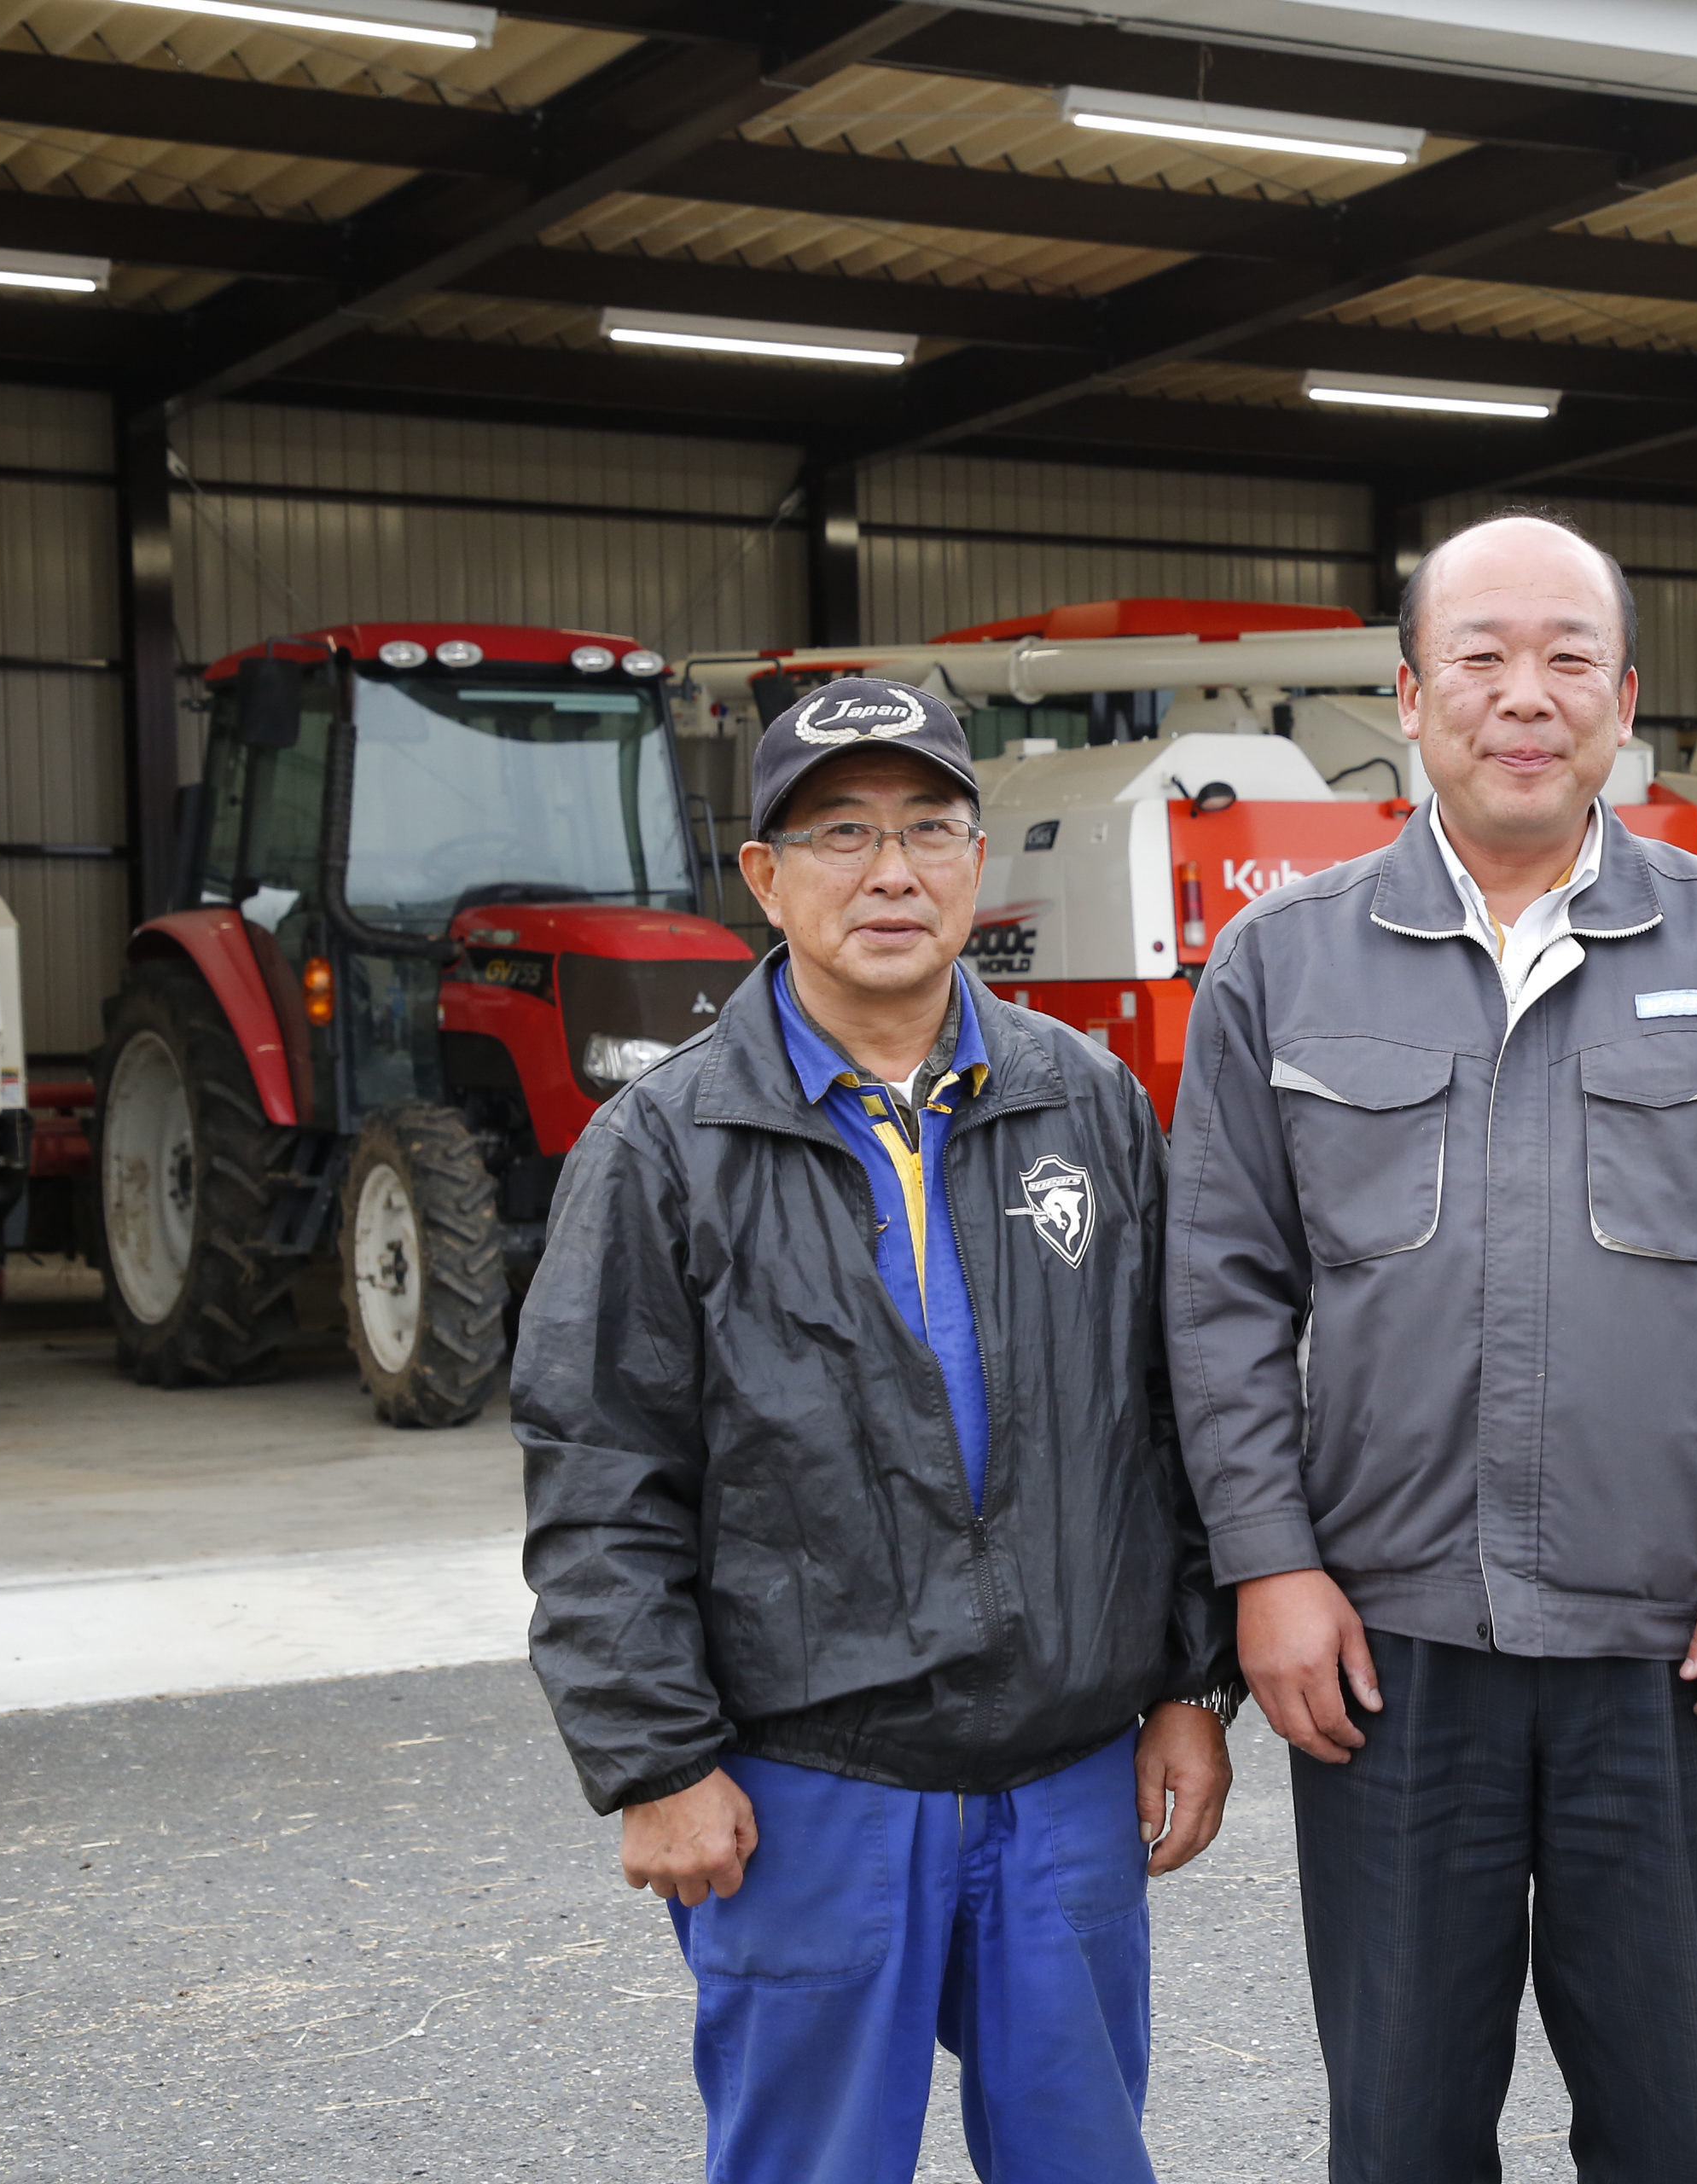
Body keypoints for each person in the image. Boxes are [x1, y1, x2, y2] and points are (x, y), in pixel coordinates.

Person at [1166, 510, 1697, 2183]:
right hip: (1385, 1653)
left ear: (1625, 697)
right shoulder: (1282, 966)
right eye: (1482, 657)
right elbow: (1219, 1301)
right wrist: (1268, 1564)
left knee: (1667, 2126)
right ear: (1409, 695)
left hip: (1665, 1648)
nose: (1526, 694)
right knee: (1401, 2129)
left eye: (1569, 657)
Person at [514, 677, 1237, 2184]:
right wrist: (654, 1760)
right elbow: (600, 1475)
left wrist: (1189, 1680)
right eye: (840, 834)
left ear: (978, 861)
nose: (890, 872)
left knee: (1084, 2160)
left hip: (1063, 1778)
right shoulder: (664, 1148)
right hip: (810, 1789)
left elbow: (1172, 1420)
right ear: (765, 877)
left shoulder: (1089, 1105)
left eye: (927, 830)